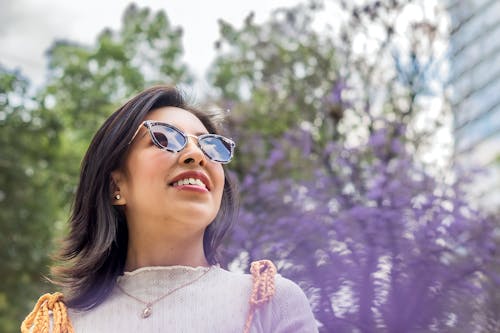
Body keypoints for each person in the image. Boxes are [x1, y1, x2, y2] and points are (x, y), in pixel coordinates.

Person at [21, 85, 318, 332]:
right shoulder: (57, 324)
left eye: (210, 146)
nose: (195, 155)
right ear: (116, 187)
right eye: (164, 138)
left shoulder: (272, 303)